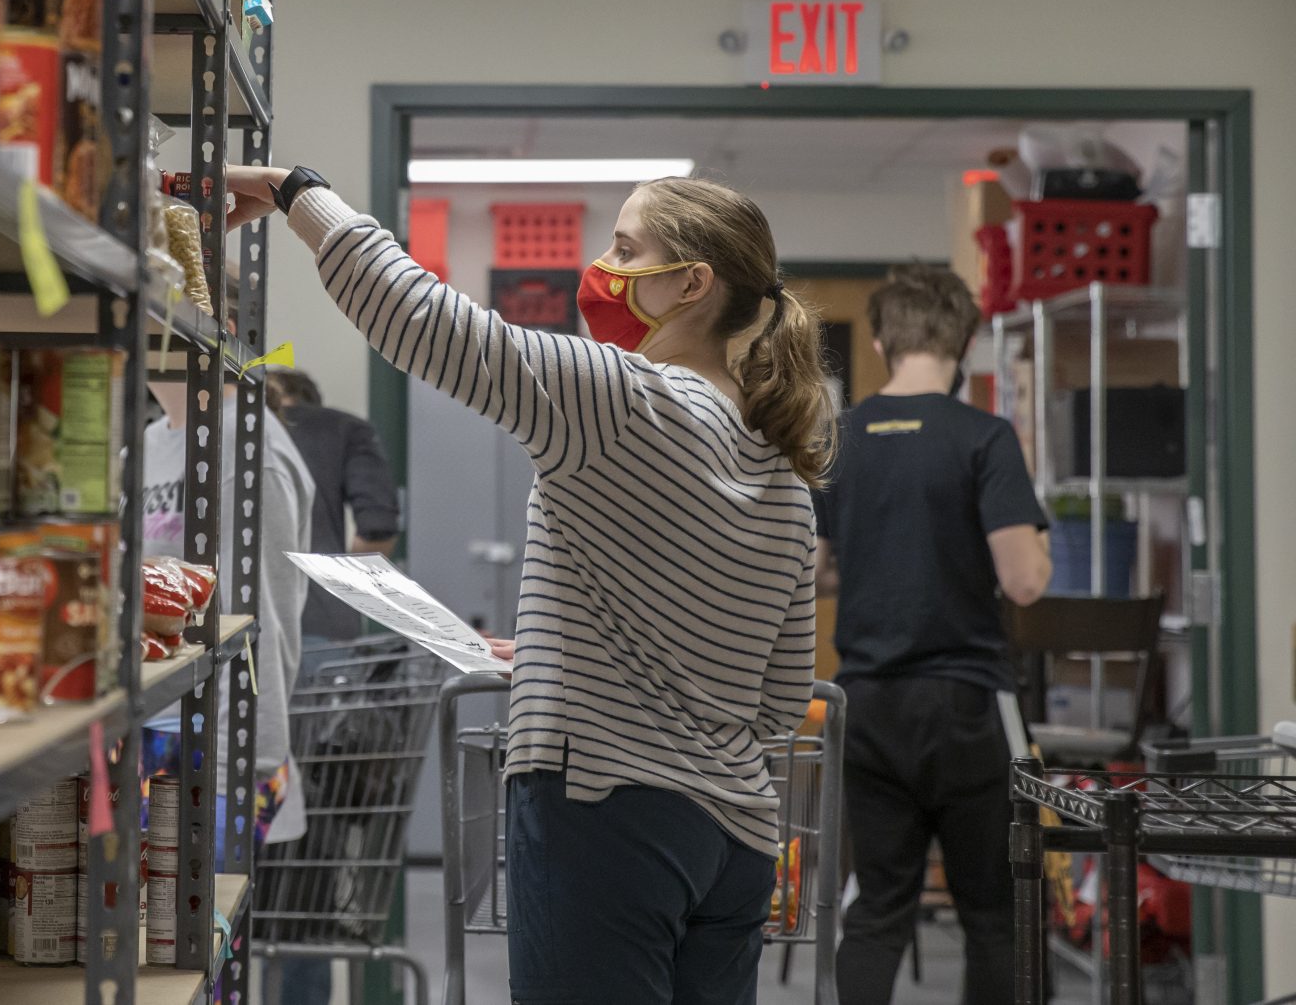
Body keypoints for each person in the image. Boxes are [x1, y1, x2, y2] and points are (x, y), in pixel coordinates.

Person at [227, 163, 833, 1005]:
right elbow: (772, 704)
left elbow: (421, 318)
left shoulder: (624, 399)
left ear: (691, 284)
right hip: (733, 842)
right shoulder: (785, 481)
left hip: (603, 815)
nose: (604, 263)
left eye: (626, 246)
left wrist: (296, 190)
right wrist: (567, 659)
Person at [813, 265, 1051, 1005]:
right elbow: (1023, 580)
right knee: (993, 912)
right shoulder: (984, 435)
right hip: (966, 705)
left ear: (882, 340)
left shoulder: (840, 437)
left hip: (867, 705)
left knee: (877, 909)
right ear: (965, 342)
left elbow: (816, 573)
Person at [143, 379, 315, 852]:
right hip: (144, 726)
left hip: (209, 748)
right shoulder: (148, 444)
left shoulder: (246, 445)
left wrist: (234, 769)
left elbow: (262, 613)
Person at [264, 366, 402, 642]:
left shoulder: (233, 428)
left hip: (242, 620)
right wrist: (343, 582)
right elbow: (378, 528)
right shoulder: (346, 428)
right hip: (324, 620)